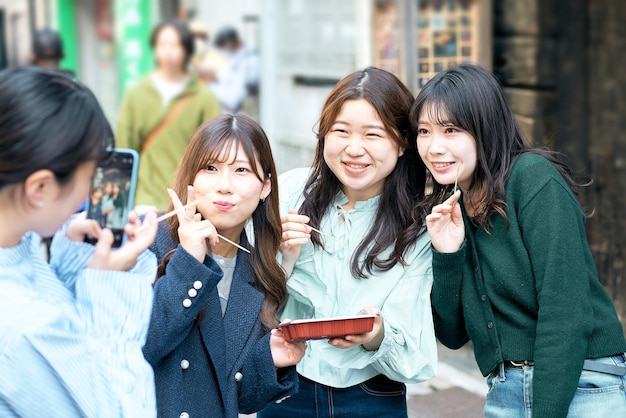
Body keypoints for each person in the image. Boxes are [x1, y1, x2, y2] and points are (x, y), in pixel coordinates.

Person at [411, 63, 626, 417]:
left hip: (585, 383)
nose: (434, 147)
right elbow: (451, 335)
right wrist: (446, 253)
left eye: (451, 130)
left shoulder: (533, 179)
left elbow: (566, 311)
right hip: (506, 387)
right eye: (424, 131)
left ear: (485, 128)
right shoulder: (452, 208)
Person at [259, 67, 437, 418]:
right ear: (324, 135)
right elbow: (249, 303)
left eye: (373, 134)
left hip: (371, 395)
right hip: (285, 386)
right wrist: (284, 257)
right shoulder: (289, 193)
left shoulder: (418, 225)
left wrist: (375, 334)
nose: (354, 149)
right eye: (341, 131)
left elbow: (414, 355)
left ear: (401, 143)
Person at [0, 66, 159, 416]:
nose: (90, 195)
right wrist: (111, 285)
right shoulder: (25, 326)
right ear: (40, 188)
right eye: (88, 178)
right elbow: (120, 410)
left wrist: (72, 259)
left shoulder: (16, 247)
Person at [142, 114, 305, 418]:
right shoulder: (148, 243)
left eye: (241, 170)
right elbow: (139, 348)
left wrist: (271, 359)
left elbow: (237, 397)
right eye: (210, 168)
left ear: (266, 187)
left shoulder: (257, 273)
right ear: (191, 176)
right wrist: (189, 262)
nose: (224, 186)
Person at [117, 18, 221, 210]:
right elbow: (124, 150)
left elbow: (215, 150)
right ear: (154, 48)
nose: (168, 51)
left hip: (188, 199)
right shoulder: (136, 94)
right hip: (144, 197)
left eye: (175, 45)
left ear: (187, 50)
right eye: (162, 44)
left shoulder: (203, 97)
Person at [206, 26, 259, 114]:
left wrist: (210, 84)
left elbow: (233, 100)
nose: (224, 49)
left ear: (232, 42)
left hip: (241, 116)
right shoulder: (233, 58)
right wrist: (214, 79)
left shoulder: (250, 60)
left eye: (224, 45)